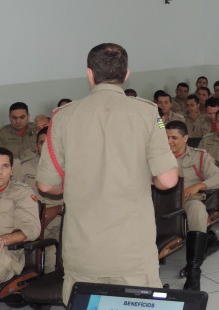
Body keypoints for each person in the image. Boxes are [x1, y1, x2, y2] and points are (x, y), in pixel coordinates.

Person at [36, 43, 179, 304]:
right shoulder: (149, 113)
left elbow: (46, 186)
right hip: (132, 249)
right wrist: (145, 177)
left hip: (84, 248)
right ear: (126, 74)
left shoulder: (62, 117)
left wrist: (76, 183)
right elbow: (168, 180)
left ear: (90, 74)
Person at [165, 121, 219, 290]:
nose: (169, 142)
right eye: (166, 138)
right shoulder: (157, 155)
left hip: (187, 199)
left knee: (198, 210)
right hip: (161, 200)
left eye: (174, 138)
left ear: (185, 138)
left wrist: (199, 185)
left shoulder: (199, 156)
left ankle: (193, 271)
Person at [16, 127, 63, 273]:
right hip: (28, 221)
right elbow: (14, 197)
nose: (46, 147)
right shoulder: (24, 167)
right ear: (36, 146)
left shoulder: (69, 169)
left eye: (50, 144)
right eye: (42, 143)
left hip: (57, 223)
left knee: (50, 256)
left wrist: (58, 209)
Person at [0, 147, 41, 283]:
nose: (0, 171)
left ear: (12, 170)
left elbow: (31, 229)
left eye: (5, 166)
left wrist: (3, 239)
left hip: (6, 254)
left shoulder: (22, 193)